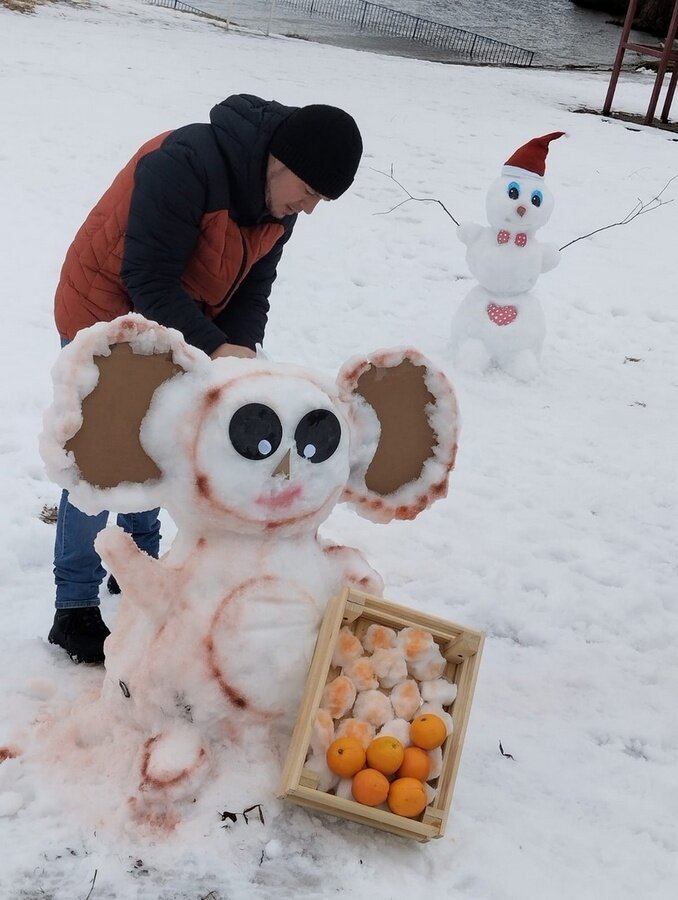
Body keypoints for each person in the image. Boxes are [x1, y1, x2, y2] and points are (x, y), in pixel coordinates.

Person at [48, 93, 363, 664]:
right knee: (104, 455)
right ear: (282, 161)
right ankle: (72, 606)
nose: (309, 209)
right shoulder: (184, 164)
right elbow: (147, 276)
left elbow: (253, 291)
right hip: (101, 310)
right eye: (310, 192)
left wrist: (240, 353)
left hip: (176, 320)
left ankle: (140, 565)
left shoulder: (277, 209)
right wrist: (216, 346)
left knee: (160, 442)